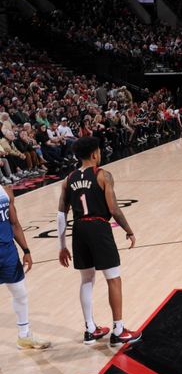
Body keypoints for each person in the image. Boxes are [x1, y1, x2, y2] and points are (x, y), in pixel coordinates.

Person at [57, 137, 140, 346]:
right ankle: (119, 330)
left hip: (78, 229)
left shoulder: (68, 179)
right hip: (98, 226)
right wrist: (129, 230)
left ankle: (90, 329)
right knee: (113, 278)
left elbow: (60, 215)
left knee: (86, 279)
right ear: (95, 154)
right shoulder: (103, 175)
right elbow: (113, 209)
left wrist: (62, 246)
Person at [1, 185, 50, 349]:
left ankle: (24, 335)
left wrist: (26, 250)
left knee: (20, 293)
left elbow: (14, 223)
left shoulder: (5, 191)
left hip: (8, 252)